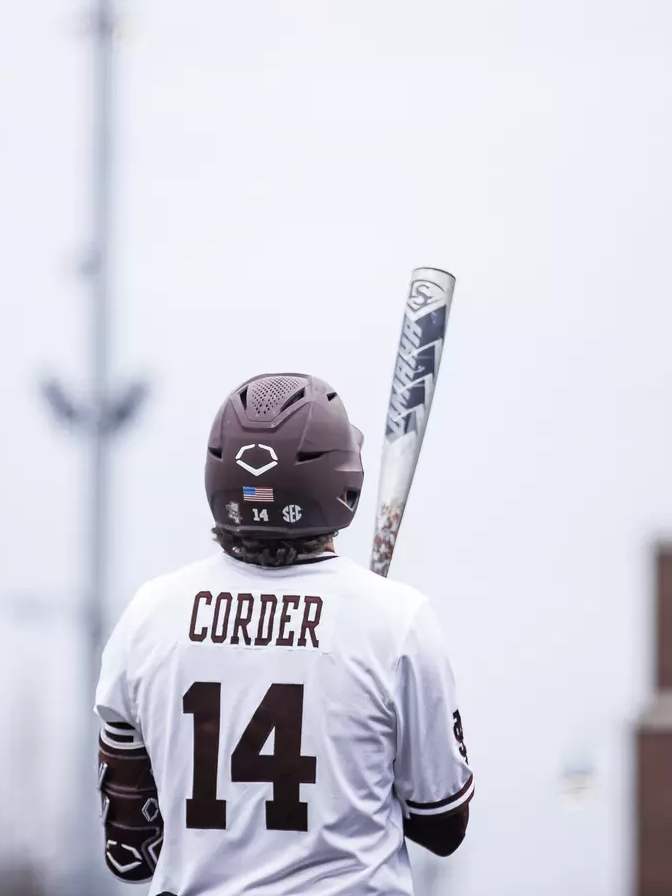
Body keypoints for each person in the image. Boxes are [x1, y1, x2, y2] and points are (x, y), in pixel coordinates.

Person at [93, 373, 473, 895]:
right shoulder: (395, 621)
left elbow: (130, 853)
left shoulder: (148, 616)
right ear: (341, 482)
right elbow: (443, 825)